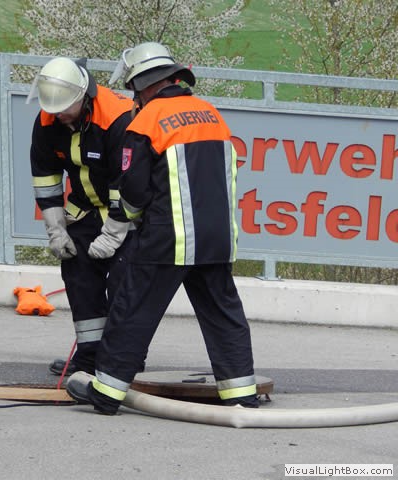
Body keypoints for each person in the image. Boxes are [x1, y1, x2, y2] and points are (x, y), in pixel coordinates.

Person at [66, 42, 259, 414]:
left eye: (133, 89)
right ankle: (240, 393)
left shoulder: (147, 121)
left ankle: (106, 392)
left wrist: (125, 221)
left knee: (132, 310)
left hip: (168, 239)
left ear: (143, 85)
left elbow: (133, 190)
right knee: (223, 314)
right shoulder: (211, 114)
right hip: (217, 239)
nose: (133, 97)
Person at [27, 56, 135, 376]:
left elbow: (127, 183)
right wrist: (56, 230)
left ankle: (119, 364)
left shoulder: (117, 119)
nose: (58, 115)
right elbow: (46, 178)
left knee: (124, 287)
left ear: (84, 96)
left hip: (128, 216)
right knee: (80, 281)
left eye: (65, 109)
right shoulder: (48, 121)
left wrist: (113, 235)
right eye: (54, 109)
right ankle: (88, 359)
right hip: (85, 211)